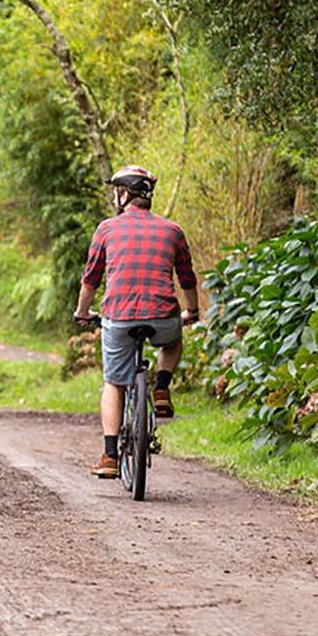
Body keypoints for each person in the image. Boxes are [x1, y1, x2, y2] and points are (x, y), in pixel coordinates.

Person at [73, 165, 199, 479]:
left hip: (118, 316)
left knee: (114, 383)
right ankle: (160, 387)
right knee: (172, 342)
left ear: (124, 194)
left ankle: (110, 456)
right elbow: (187, 278)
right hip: (163, 315)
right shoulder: (173, 230)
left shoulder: (106, 229)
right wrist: (193, 312)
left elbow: (91, 280)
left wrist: (82, 313)